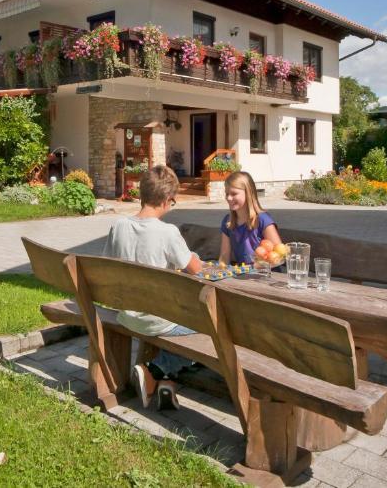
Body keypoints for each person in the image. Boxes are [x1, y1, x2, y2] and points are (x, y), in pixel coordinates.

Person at [102, 164, 203, 411]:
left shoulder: (119, 226)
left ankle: (164, 383)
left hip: (126, 315)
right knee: (209, 327)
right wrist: (195, 256)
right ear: (168, 200)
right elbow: (196, 269)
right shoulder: (168, 232)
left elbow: (105, 264)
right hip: (156, 320)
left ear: (142, 194)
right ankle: (154, 370)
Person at [218, 171, 284, 267]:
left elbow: (279, 256)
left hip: (268, 277)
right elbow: (224, 256)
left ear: (248, 193)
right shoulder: (228, 222)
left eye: (234, 193)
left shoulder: (263, 220)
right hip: (243, 277)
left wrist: (254, 266)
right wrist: (218, 271)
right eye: (226, 193)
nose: (228, 197)